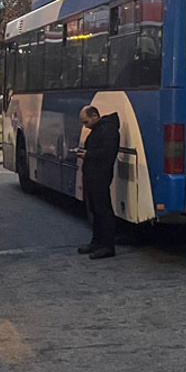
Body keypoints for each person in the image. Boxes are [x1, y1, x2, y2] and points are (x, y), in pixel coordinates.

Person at [74, 106, 121, 260]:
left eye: (86, 121)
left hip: (100, 175)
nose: (85, 125)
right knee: (94, 209)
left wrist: (88, 154)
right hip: (92, 174)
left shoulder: (108, 130)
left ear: (95, 116)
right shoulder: (98, 129)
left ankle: (107, 245)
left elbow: (108, 152)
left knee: (103, 209)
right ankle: (97, 241)